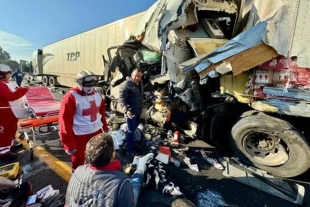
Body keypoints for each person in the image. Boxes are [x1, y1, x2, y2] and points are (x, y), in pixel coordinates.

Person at [65, 133, 154, 207]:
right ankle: (140, 167)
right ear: (112, 155)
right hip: (122, 185)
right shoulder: (121, 182)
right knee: (134, 185)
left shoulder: (78, 170)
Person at [58, 69, 109, 170]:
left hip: (96, 132)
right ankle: (77, 178)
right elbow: (64, 121)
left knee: (97, 155)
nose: (90, 88)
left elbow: (101, 113)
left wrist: (105, 126)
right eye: (87, 85)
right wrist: (68, 144)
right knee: (79, 159)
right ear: (80, 84)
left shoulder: (98, 95)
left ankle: (94, 175)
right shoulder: (71, 97)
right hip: (79, 134)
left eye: (92, 85)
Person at [0, 64, 28, 160]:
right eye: (7, 74)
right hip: (3, 114)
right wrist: (24, 90)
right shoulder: (0, 85)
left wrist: (21, 89)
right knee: (4, 132)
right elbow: (10, 96)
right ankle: (3, 153)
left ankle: (9, 146)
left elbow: (14, 90)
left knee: (11, 130)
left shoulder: (5, 83)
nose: (9, 75)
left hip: (10, 112)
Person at [119, 68, 143, 157]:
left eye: (139, 76)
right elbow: (121, 99)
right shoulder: (125, 85)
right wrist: (126, 110)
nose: (138, 78)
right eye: (136, 76)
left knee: (135, 127)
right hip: (131, 112)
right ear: (131, 75)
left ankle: (128, 141)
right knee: (131, 130)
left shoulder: (140, 83)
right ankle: (130, 149)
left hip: (138, 111)